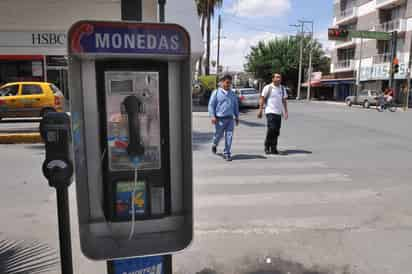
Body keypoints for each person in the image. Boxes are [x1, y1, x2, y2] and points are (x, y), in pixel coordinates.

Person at [208, 74, 240, 161]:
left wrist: (237, 116)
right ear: (222, 82)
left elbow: (235, 106)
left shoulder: (232, 94)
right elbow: (211, 105)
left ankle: (227, 153)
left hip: (230, 119)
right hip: (219, 119)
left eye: (230, 83)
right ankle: (214, 144)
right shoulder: (216, 92)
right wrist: (212, 116)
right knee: (218, 135)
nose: (228, 84)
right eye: (227, 82)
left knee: (229, 136)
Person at [257, 73, 289, 155]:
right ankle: (267, 146)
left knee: (276, 131)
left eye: (280, 77)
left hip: (278, 113)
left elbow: (284, 101)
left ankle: (274, 148)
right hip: (270, 111)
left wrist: (286, 112)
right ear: (273, 79)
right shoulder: (268, 87)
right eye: (277, 77)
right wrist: (260, 110)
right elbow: (262, 98)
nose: (279, 79)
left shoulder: (282, 88)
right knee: (272, 129)